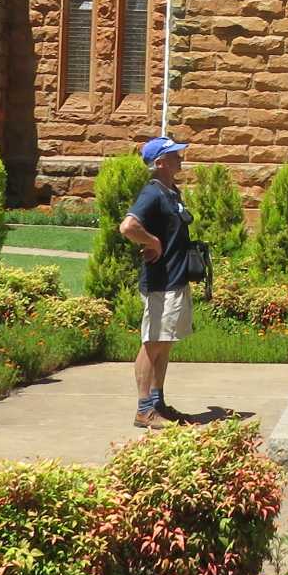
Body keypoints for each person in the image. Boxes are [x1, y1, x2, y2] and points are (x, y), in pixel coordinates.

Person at [119, 135, 194, 430]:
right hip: (160, 280)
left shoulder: (171, 191)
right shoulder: (152, 193)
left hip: (175, 278)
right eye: (174, 155)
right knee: (152, 344)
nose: (181, 158)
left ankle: (157, 402)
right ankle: (143, 410)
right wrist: (152, 242)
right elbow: (128, 226)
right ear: (159, 162)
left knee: (164, 343)